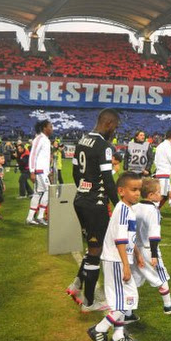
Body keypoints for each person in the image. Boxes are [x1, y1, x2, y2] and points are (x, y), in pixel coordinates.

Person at [67, 109, 121, 312]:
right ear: (108, 124)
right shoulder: (103, 145)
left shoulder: (82, 140)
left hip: (80, 200)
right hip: (95, 205)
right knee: (96, 251)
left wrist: (84, 189)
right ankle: (89, 302)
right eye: (115, 127)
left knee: (92, 246)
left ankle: (76, 285)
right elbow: (108, 180)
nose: (115, 131)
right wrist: (120, 206)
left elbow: (74, 171)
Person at [88, 172, 141, 341]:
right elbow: (120, 240)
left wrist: (137, 253)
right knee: (126, 302)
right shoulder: (124, 210)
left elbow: (127, 237)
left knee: (127, 301)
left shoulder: (126, 208)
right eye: (133, 190)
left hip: (119, 259)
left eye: (139, 190)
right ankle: (99, 329)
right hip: (116, 261)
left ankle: (118, 336)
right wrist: (126, 265)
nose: (137, 193)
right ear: (121, 191)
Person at [129, 178, 171, 314]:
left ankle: (127, 313)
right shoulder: (153, 211)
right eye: (158, 192)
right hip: (148, 250)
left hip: (134, 250)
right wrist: (154, 255)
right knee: (162, 276)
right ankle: (168, 305)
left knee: (134, 280)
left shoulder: (134, 207)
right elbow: (154, 235)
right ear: (150, 195)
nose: (161, 195)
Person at [26, 120, 53, 226]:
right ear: (44, 128)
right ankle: (40, 216)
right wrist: (32, 171)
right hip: (39, 171)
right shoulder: (39, 139)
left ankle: (30, 218)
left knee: (37, 194)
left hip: (43, 171)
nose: (52, 129)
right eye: (50, 127)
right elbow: (33, 155)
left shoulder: (46, 140)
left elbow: (44, 158)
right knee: (48, 191)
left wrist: (48, 171)